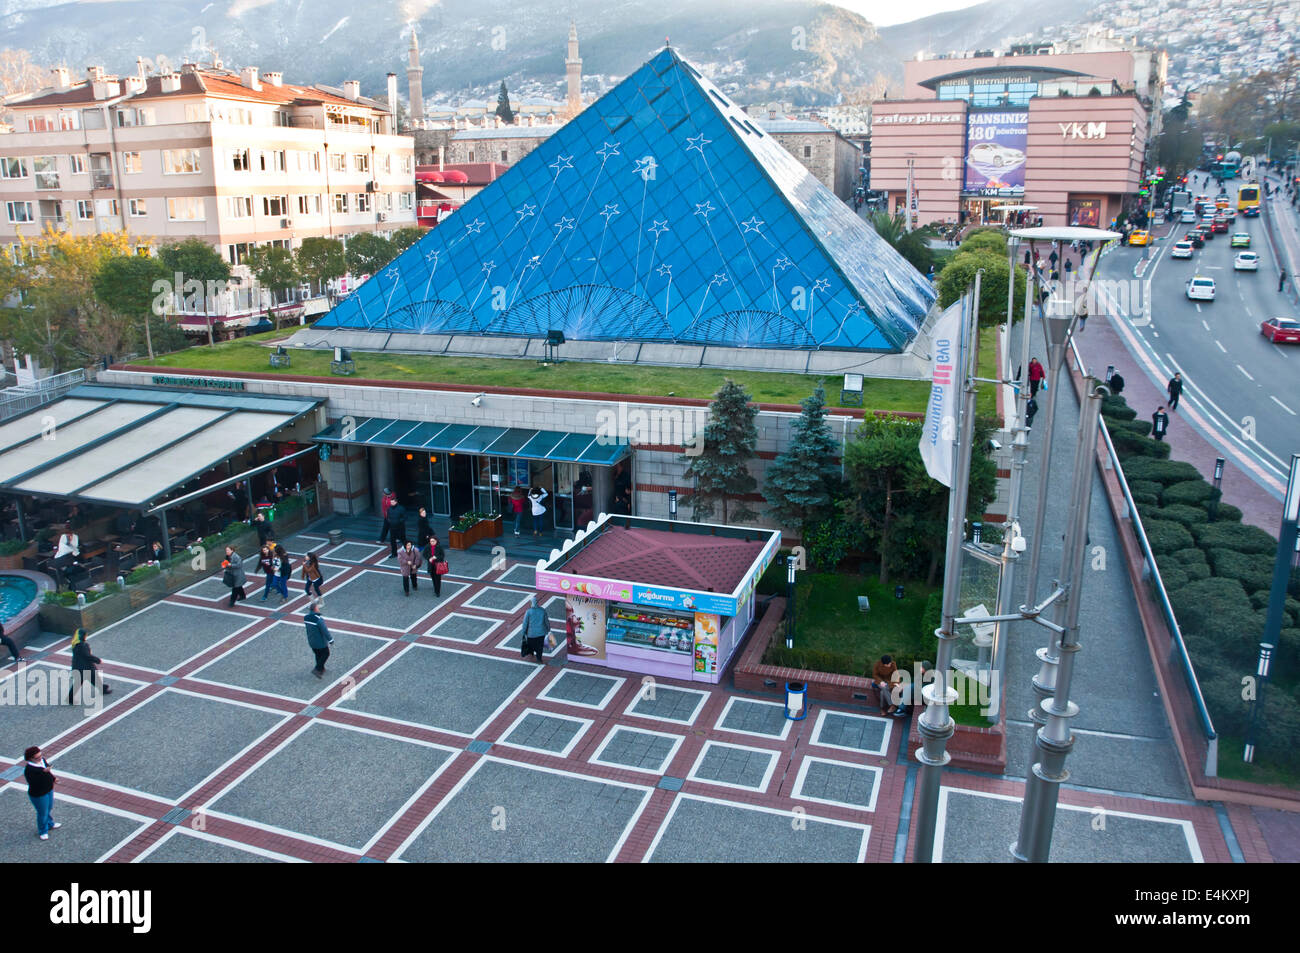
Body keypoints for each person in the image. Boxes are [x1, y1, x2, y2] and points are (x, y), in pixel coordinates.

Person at [24, 746, 60, 841]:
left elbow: (48, 770)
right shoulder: (29, 770)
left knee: (49, 807)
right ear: (30, 758)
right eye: (37, 757)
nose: (40, 758)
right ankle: (43, 831)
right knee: (42, 812)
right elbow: (34, 783)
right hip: (39, 794)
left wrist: (53, 778)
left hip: (48, 789)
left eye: (40, 755)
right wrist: (43, 772)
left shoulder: (42, 761)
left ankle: (50, 823)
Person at [67, 627, 110, 704]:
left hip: (78, 667)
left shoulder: (75, 644)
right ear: (83, 636)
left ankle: (103, 689)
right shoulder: (83, 645)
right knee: (85, 681)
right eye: (85, 635)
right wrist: (97, 660)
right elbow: (87, 656)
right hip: (85, 667)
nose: (86, 636)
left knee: (90, 679)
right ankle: (70, 698)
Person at [303, 600, 333, 679]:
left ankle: (321, 669)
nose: (319, 609)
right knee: (326, 653)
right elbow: (324, 630)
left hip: (311, 641)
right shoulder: (319, 619)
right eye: (317, 608)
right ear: (315, 609)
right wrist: (330, 640)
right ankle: (317, 669)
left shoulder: (306, 618)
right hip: (320, 642)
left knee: (318, 654)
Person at [520, 594, 551, 663]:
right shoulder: (542, 610)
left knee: (531, 645)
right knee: (539, 647)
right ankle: (539, 658)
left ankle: (531, 653)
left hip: (531, 634)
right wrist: (548, 629)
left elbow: (525, 623)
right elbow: (546, 621)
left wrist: (524, 632)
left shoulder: (528, 611)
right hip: (541, 633)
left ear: (531, 603)